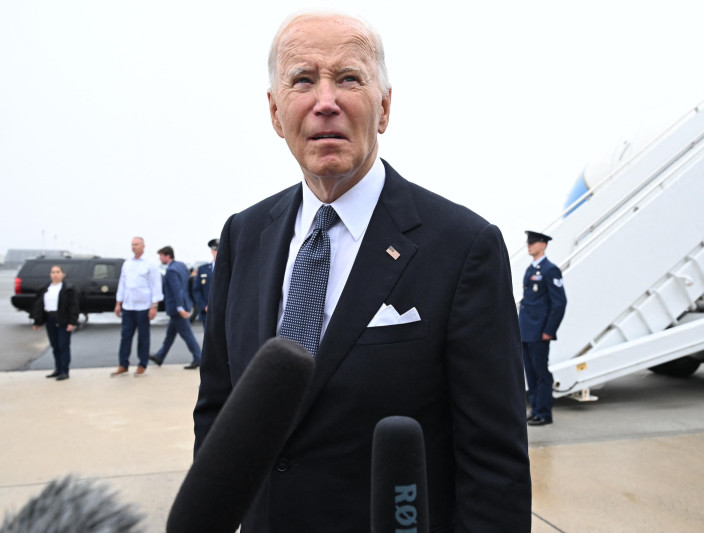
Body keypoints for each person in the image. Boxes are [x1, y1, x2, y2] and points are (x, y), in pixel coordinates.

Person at [193, 12, 531, 532]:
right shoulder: (245, 235)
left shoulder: (464, 248)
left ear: (385, 107)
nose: (325, 101)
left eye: (348, 78)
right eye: (302, 80)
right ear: (275, 112)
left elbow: (494, 464)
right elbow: (218, 411)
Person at [518, 231, 567, 426]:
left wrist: (549, 330)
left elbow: (559, 303)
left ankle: (544, 413)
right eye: (528, 242)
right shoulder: (530, 270)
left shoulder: (550, 270)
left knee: (541, 373)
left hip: (539, 331)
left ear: (543, 245)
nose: (529, 245)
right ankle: (536, 409)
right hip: (527, 330)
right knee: (530, 373)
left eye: (533, 242)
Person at [112, 236, 163, 377]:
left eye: (136, 244)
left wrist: (154, 306)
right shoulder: (127, 264)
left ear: (143, 246)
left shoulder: (150, 264)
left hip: (143, 307)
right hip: (128, 306)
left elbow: (156, 285)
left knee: (143, 337)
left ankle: (142, 364)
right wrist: (118, 303)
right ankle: (123, 364)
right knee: (125, 336)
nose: (134, 247)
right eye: (132, 244)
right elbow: (122, 285)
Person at [150, 246, 203, 369]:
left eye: (161, 256)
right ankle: (160, 356)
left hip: (177, 308)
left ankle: (198, 357)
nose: (160, 259)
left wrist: (180, 308)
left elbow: (177, 290)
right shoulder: (181, 266)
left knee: (187, 334)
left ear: (167, 256)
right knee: (170, 335)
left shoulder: (171, 270)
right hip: (184, 304)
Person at [30, 265, 80, 381]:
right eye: (53, 272)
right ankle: (57, 369)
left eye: (58, 272)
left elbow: (74, 307)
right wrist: (37, 321)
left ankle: (64, 370)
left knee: (63, 345)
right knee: (55, 346)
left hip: (63, 319)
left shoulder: (68, 289)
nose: (55, 274)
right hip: (50, 319)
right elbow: (39, 306)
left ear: (63, 274)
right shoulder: (46, 288)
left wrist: (72, 322)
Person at [191, 238, 218, 329]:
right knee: (209, 341)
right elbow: (196, 290)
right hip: (207, 312)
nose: (217, 252)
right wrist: (204, 306)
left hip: (224, 312)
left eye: (219, 250)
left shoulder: (230, 269)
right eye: (215, 250)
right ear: (212, 251)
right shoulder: (203, 269)